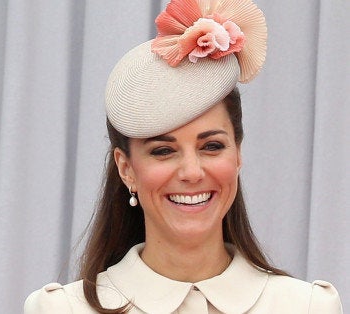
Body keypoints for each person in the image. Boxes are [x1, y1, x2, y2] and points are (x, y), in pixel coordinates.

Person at [24, 0, 342, 313]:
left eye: (212, 146)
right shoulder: (61, 308)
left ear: (238, 153)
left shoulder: (308, 306)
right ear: (126, 168)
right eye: (164, 151)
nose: (192, 172)